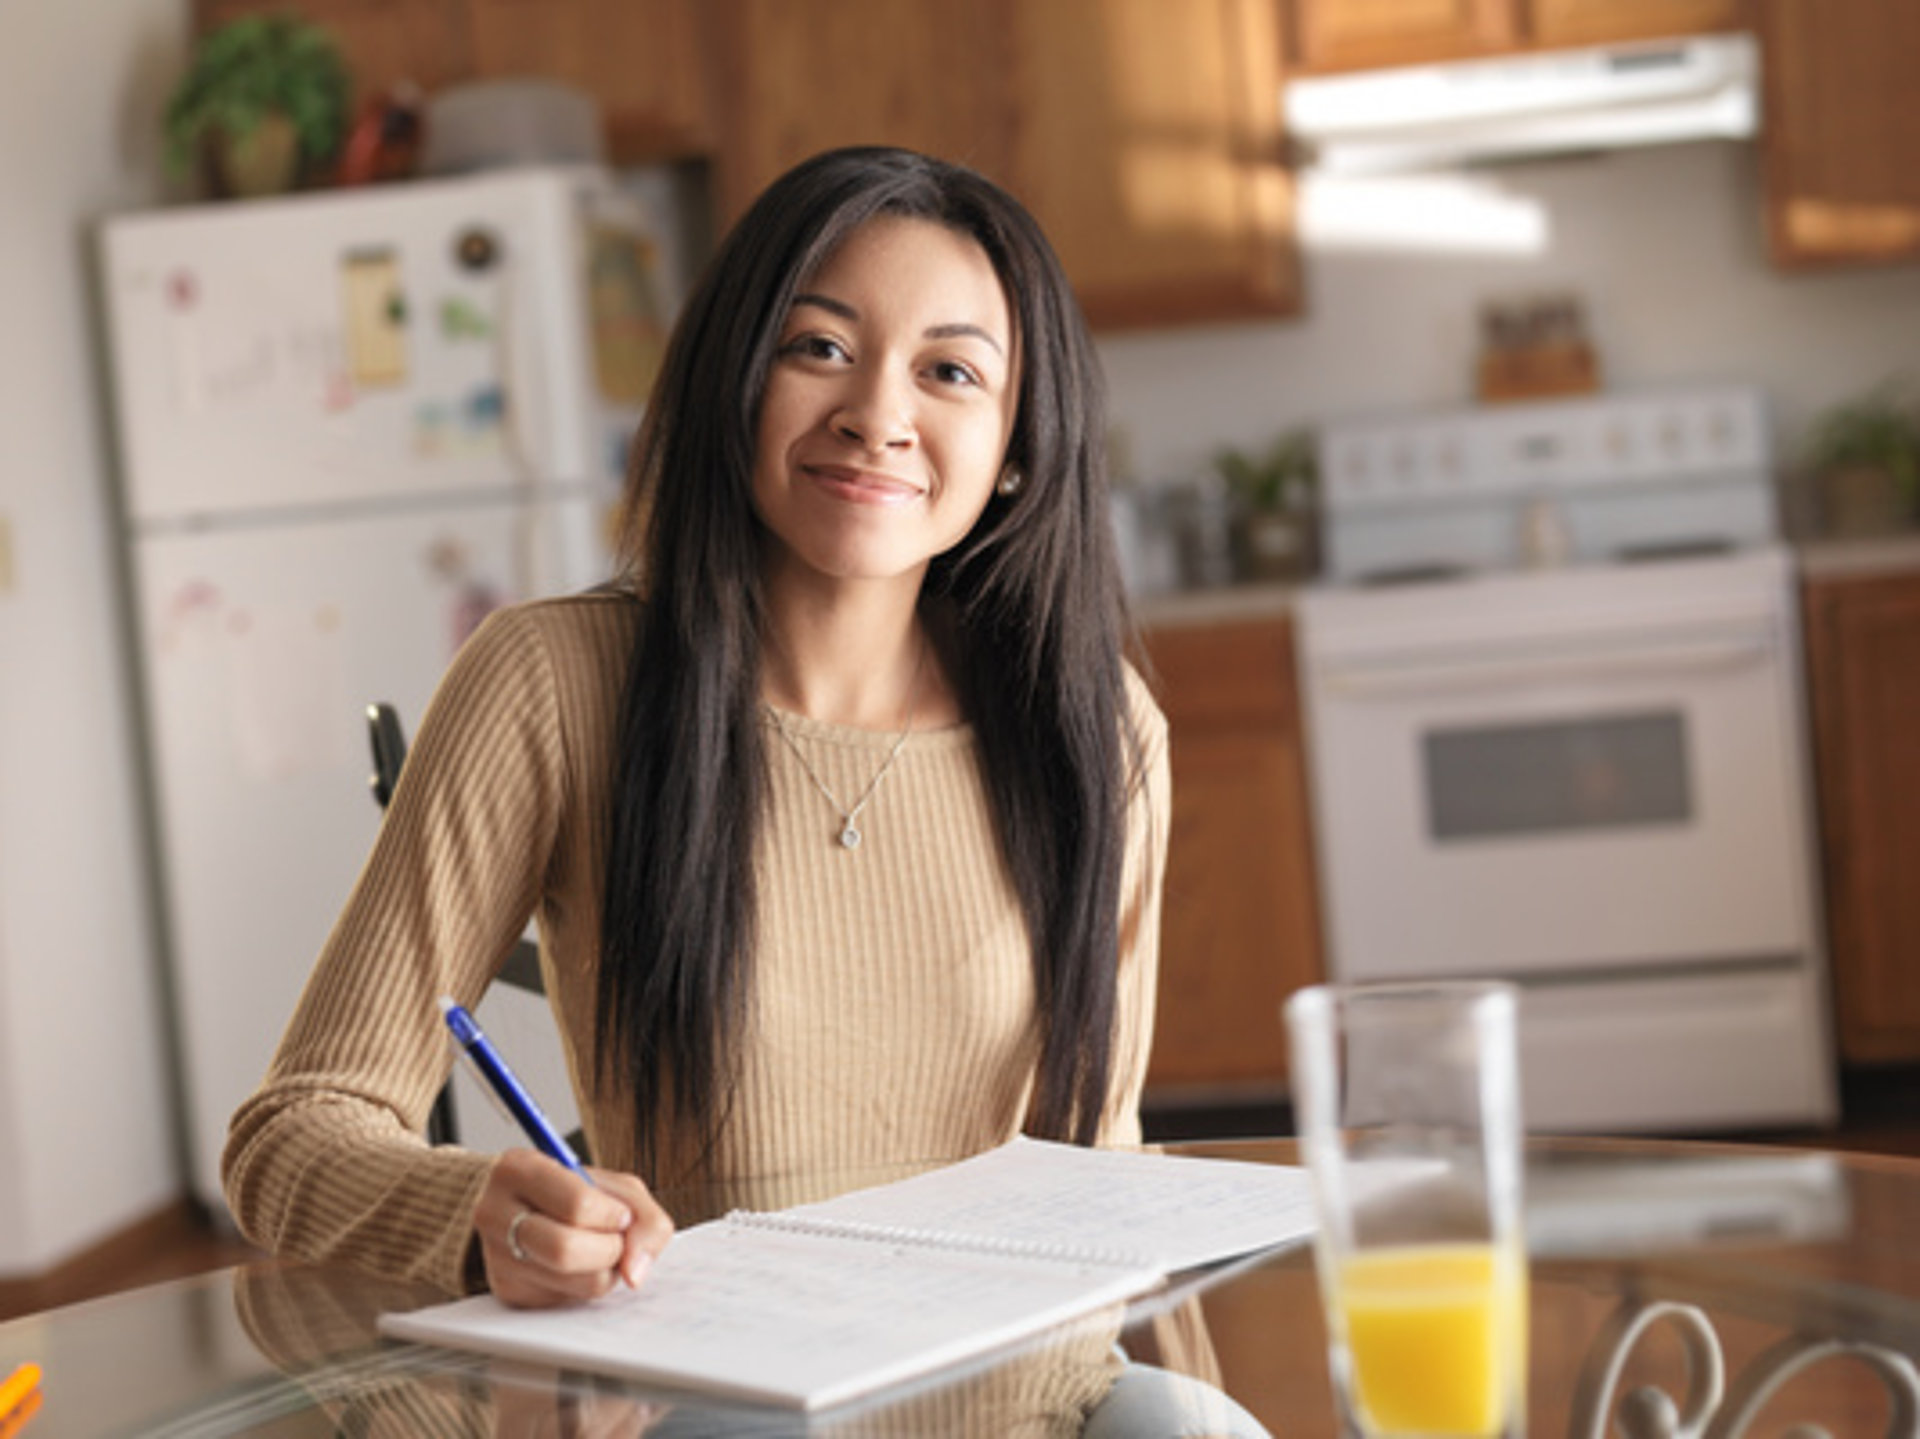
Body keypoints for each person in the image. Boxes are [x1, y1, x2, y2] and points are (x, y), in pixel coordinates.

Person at [222, 145, 1170, 1310]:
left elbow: (1104, 1156)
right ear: (735, 378)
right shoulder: (552, 682)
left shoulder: (1093, 727)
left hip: (1033, 1385)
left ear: (1020, 448)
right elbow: (292, 1135)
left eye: (951, 373)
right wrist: (479, 1212)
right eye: (819, 347)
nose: (877, 415)